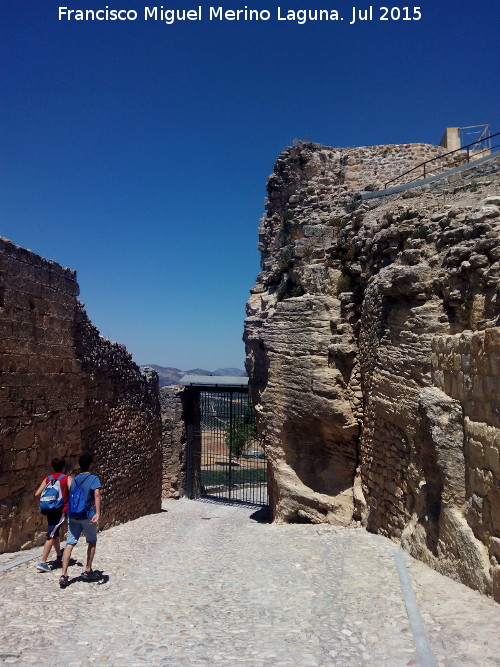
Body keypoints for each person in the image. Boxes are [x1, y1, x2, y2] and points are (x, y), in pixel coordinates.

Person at [59, 452, 101, 588]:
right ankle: (88, 569)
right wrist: (98, 513)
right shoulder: (93, 479)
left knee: (69, 543)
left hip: (74, 515)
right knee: (92, 541)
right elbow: (97, 494)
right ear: (91, 464)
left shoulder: (75, 479)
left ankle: (64, 574)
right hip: (87, 514)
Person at [34, 457, 71, 572]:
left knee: (54, 531)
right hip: (60, 510)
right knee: (51, 534)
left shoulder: (48, 478)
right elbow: (73, 491)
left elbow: (36, 494)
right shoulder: (66, 478)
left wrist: (43, 504)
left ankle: (59, 555)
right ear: (63, 467)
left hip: (49, 509)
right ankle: (42, 562)